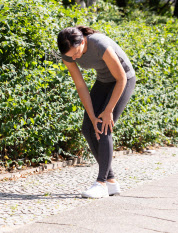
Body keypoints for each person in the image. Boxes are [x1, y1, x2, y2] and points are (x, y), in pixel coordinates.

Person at [57, 26, 136, 198]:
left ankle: (101, 184)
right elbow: (80, 85)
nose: (75, 57)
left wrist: (108, 110)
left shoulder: (99, 44)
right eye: (71, 56)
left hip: (124, 80)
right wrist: (92, 115)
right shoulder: (68, 53)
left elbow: (121, 78)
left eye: (77, 53)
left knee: (104, 126)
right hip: (103, 81)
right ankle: (111, 182)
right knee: (88, 127)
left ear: (83, 41)